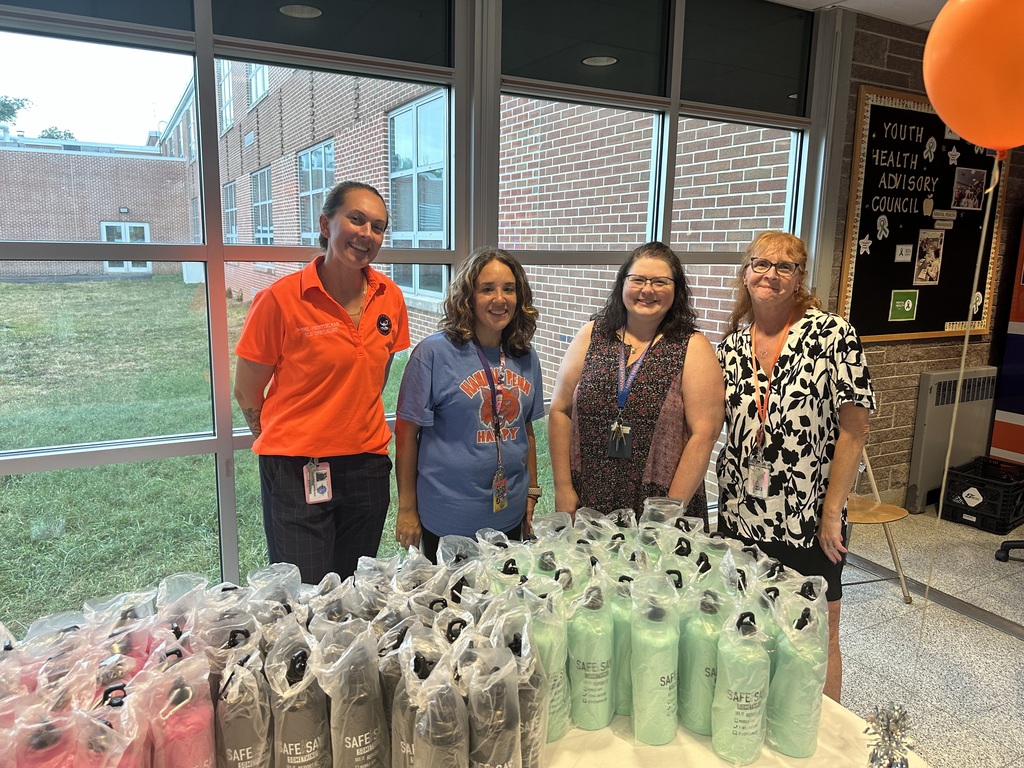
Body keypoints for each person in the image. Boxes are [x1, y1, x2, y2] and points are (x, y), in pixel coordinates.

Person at [715, 230, 875, 702]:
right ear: (745, 273)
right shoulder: (730, 347)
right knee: (749, 624)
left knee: (818, 631)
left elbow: (855, 429)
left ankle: (820, 734)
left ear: (800, 278)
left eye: (785, 267)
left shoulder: (833, 335)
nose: (771, 274)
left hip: (809, 516)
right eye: (761, 264)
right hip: (742, 511)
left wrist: (832, 512)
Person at [233, 181, 410, 584]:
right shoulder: (280, 300)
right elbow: (246, 391)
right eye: (356, 219)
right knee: (305, 593)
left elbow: (374, 377)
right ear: (326, 224)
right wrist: (283, 441)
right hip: (296, 471)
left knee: (351, 590)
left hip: (367, 466)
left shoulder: (391, 298)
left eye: (379, 227)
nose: (367, 234)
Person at [548, 241, 725, 522]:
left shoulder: (693, 346)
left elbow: (704, 434)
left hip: (660, 501)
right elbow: (559, 410)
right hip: (588, 495)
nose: (647, 290)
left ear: (676, 290)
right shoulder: (591, 335)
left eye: (660, 282)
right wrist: (563, 487)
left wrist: (668, 511)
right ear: (622, 284)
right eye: (638, 279)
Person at [394, 246, 545, 562]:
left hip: (510, 515)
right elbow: (406, 436)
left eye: (508, 289)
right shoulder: (433, 354)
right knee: (451, 607)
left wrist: (532, 491)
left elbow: (525, 428)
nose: (499, 299)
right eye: (487, 289)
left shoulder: (525, 355)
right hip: (449, 520)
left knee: (502, 605)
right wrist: (407, 508)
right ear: (468, 296)